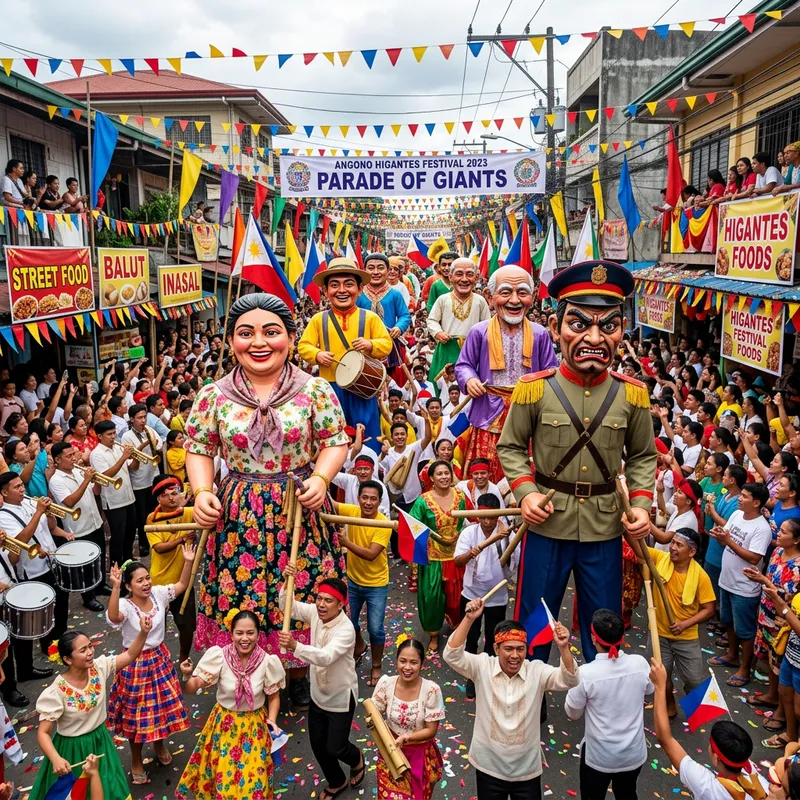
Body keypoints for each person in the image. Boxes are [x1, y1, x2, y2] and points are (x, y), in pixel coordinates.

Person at [186, 294, 349, 710]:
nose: (259, 342)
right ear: (231, 341)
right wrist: (204, 491)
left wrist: (320, 476)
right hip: (238, 511)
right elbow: (200, 448)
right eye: (246, 333)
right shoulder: (213, 395)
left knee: (300, 589)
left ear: (291, 339)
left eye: (271, 332)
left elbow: (335, 442)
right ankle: (247, 665)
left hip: (299, 507)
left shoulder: (315, 390)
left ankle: (295, 670)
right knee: (243, 592)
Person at [497, 260, 657, 661]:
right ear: (555, 327)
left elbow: (641, 456)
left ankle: (601, 707)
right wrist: (526, 493)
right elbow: (511, 447)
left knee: (603, 628)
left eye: (608, 326)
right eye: (579, 323)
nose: (594, 338)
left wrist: (640, 506)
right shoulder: (534, 390)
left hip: (605, 528)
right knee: (535, 621)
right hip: (547, 523)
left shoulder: (632, 394)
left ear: (622, 331)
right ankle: (527, 698)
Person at [444, 599, 579, 799]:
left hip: (526, 772)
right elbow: (452, 655)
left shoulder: (536, 671)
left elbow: (570, 679)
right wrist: (469, 618)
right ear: (496, 649)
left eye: (520, 649)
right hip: (488, 767)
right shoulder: (483, 666)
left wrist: (563, 647)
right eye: (508, 649)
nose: (515, 655)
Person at [30, 622, 152, 800]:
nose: (90, 653)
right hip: (72, 749)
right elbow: (43, 733)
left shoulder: (98, 668)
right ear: (67, 660)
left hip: (100, 741)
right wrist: (55, 758)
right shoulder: (56, 692)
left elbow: (130, 655)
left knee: (110, 786)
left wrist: (143, 632)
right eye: (82, 650)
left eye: (90, 646)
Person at [455, 265, 557, 480]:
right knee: (484, 471)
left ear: (533, 296)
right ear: (490, 297)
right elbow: (463, 365)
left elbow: (551, 372)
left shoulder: (539, 334)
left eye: (522, 292)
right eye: (505, 292)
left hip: (529, 413)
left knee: (529, 470)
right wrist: (470, 380)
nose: (514, 300)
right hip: (488, 413)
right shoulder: (478, 332)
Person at [177, 610, 285, 800]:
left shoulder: (268, 662)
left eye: (250, 633)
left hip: (255, 727)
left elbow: (273, 696)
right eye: (239, 633)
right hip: (224, 725)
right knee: (224, 786)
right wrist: (187, 675)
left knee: (255, 786)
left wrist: (272, 720)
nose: (245, 638)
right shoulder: (219, 656)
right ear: (231, 633)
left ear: (258, 635)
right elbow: (192, 688)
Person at [106, 552, 193, 784]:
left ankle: (159, 744)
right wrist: (114, 588)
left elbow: (183, 584)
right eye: (139, 580)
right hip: (134, 664)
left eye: (147, 578)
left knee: (161, 710)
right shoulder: (124, 603)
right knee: (137, 716)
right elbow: (114, 617)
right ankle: (136, 760)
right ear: (128, 585)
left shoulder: (158, 595)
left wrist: (188, 560)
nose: (146, 583)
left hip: (159, 659)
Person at [278, 569, 363, 800]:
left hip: (340, 698)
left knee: (336, 747)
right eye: (319, 598)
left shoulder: (346, 629)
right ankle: (337, 780)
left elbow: (325, 657)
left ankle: (356, 758)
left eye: (328, 601)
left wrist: (296, 646)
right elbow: (289, 607)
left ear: (340, 605)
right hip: (317, 695)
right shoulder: (315, 613)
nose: (321, 605)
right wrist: (287, 581)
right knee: (317, 744)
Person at [297, 258, 393, 442]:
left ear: (359, 289)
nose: (342, 290)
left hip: (364, 388)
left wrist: (370, 345)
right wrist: (317, 354)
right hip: (330, 387)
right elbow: (303, 346)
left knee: (367, 431)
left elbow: (386, 344)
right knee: (333, 431)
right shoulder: (319, 319)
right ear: (325, 291)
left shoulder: (370, 318)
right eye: (334, 285)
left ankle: (368, 465)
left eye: (348, 284)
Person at [565, 609, 653, 800]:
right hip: (633, 754)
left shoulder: (586, 674)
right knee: (628, 793)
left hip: (599, 757)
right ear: (622, 637)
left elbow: (573, 713)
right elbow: (651, 689)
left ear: (593, 638)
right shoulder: (640, 664)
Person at [650, 659, 768, 799]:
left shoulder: (706, 786)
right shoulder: (762, 783)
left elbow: (665, 739)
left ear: (716, 756)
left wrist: (659, 686)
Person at [454, 493, 517, 699]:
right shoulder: (469, 533)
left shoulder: (506, 533)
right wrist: (483, 545)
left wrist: (505, 539)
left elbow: (512, 564)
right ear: (477, 516)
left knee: (493, 637)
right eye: (483, 517)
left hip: (496, 595)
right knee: (471, 638)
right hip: (471, 593)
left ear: (499, 515)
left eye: (492, 517)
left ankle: (488, 676)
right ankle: (472, 677)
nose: (487, 522)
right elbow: (458, 562)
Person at [708, 482, 772, 687]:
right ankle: (731, 655)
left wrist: (728, 541)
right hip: (727, 580)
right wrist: (720, 536)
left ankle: (745, 670)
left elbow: (754, 558)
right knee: (728, 621)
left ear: (756, 502)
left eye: (744, 496)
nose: (740, 499)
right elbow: (725, 539)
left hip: (744, 587)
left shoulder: (762, 528)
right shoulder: (736, 515)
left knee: (745, 630)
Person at [647, 529, 715, 717]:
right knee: (663, 677)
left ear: (691, 552)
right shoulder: (661, 559)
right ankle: (669, 705)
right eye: (673, 543)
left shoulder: (701, 576)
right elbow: (638, 548)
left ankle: (695, 709)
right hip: (659, 634)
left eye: (679, 545)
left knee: (694, 680)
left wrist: (684, 624)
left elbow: (709, 609)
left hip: (686, 637)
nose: (673, 548)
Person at [0, 473, 69, 653]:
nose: (22, 489)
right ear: (4, 493)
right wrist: (39, 512)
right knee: (45, 610)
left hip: (51, 560)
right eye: (17, 487)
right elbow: (19, 541)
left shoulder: (30, 502)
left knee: (62, 601)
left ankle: (63, 638)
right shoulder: (4, 516)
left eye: (22, 485)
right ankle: (49, 646)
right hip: (33, 571)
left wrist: (49, 514)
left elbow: (51, 527)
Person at [409, 460, 471, 652]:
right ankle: (434, 636)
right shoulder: (423, 501)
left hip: (457, 558)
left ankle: (458, 632)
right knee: (431, 599)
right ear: (432, 479)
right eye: (439, 474)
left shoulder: (461, 496)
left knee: (456, 600)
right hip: (432, 559)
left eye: (447, 473)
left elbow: (476, 518)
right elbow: (412, 527)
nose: (444, 477)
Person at [333, 482, 391, 687]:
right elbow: (329, 504)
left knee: (375, 628)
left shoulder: (384, 523)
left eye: (373, 499)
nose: (368, 502)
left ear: (379, 501)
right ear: (358, 498)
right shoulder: (353, 511)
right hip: (353, 580)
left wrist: (345, 543)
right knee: (349, 623)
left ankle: (376, 666)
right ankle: (359, 646)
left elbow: (371, 554)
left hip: (376, 584)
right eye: (364, 497)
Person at [371, 639, 445, 800]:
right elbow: (373, 715)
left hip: (419, 756)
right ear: (396, 661)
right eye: (403, 661)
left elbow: (431, 730)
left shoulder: (431, 690)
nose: (407, 667)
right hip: (390, 754)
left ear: (422, 664)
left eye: (413, 662)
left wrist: (407, 737)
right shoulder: (385, 684)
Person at [48, 442, 110, 611]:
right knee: (85, 566)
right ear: (58, 460)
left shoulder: (78, 471)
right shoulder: (56, 480)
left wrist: (97, 482)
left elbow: (95, 492)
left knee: (100, 556)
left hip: (94, 521)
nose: (74, 458)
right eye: (69, 456)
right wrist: (87, 480)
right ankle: (88, 597)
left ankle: (101, 585)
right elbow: (70, 502)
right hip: (78, 528)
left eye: (73, 454)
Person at [146, 475, 197, 663]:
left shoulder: (188, 512)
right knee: (154, 626)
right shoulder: (153, 519)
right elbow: (158, 548)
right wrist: (181, 539)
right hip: (160, 582)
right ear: (159, 499)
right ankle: (156, 661)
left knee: (187, 627)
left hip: (184, 581)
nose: (172, 498)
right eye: (166, 496)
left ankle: (184, 658)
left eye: (174, 493)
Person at [427, 258, 491, 383]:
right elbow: (432, 320)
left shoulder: (480, 301)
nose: (464, 279)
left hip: (472, 348)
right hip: (447, 348)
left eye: (469, 274)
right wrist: (438, 332)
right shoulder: (443, 299)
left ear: (476, 278)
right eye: (459, 274)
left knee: (472, 383)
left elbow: (487, 325)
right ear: (450, 277)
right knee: (444, 385)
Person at [357, 252, 411, 380]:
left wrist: (399, 327)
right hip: (363, 342)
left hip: (389, 342)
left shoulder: (395, 294)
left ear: (388, 271)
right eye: (371, 268)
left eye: (380, 268)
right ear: (364, 271)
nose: (376, 272)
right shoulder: (358, 294)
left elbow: (405, 315)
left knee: (389, 379)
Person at [90, 421, 137, 567]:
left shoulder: (118, 448)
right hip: (114, 502)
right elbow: (106, 476)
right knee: (118, 536)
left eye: (114, 433)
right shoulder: (96, 454)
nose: (113, 437)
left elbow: (133, 468)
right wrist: (124, 457)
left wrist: (135, 456)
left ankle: (128, 561)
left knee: (130, 533)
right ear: (99, 436)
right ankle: (116, 566)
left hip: (129, 497)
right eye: (109, 434)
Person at [121, 403, 162, 559]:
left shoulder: (150, 430)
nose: (143, 421)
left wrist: (154, 445)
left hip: (153, 475)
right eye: (139, 418)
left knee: (155, 511)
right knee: (142, 515)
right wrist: (146, 443)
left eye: (144, 417)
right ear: (132, 419)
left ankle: (155, 540)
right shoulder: (126, 436)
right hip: (139, 481)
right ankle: (144, 544)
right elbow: (131, 458)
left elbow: (158, 447)